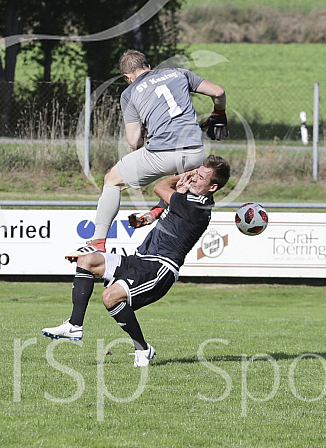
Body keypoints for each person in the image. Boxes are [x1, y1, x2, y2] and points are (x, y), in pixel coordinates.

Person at [46, 155, 231, 367]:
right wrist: (151, 215)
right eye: (195, 172)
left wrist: (182, 176)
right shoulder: (188, 196)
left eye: (200, 176)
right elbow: (166, 204)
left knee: (110, 298)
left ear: (213, 186)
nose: (195, 178)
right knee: (87, 260)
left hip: (160, 268)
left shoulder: (198, 207)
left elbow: (160, 187)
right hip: (140, 259)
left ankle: (142, 349)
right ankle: (74, 324)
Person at [66, 49, 228, 261]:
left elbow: (134, 141)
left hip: (163, 152)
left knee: (113, 180)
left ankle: (98, 241)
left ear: (127, 77)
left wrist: (142, 140)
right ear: (148, 66)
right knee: (178, 184)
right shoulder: (179, 73)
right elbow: (218, 92)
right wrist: (219, 114)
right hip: (196, 153)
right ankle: (155, 212)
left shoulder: (130, 92)